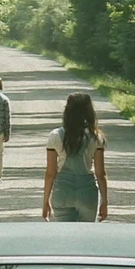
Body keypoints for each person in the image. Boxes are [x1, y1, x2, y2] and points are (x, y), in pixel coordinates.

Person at [42, 93, 108, 221]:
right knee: (86, 236)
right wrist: (104, 202)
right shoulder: (96, 137)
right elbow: (101, 174)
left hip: (63, 190)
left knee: (64, 237)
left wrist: (45, 201)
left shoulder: (56, 135)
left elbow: (50, 173)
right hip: (87, 192)